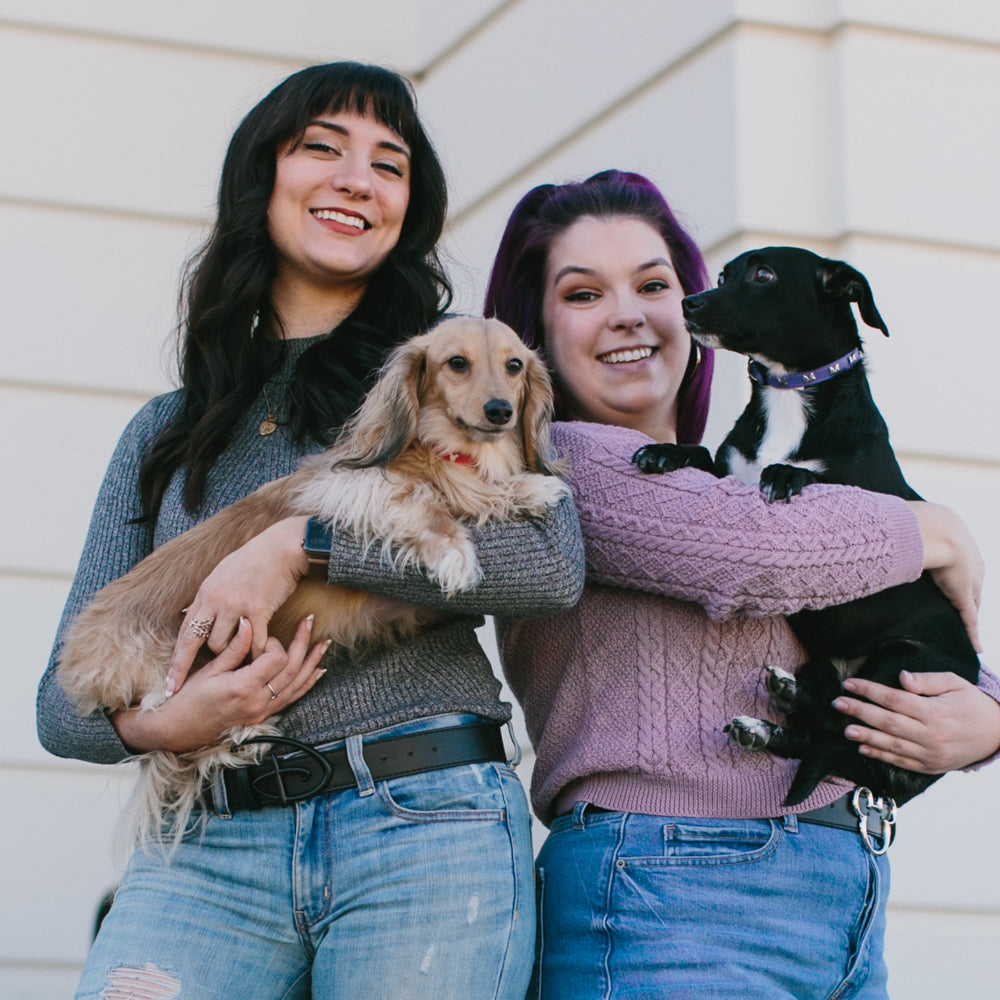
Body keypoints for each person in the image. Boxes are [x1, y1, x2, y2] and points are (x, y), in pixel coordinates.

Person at [37, 63, 583, 1000]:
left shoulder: (453, 372)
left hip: (424, 825)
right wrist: (169, 722)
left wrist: (301, 545)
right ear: (264, 180)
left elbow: (548, 566)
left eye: (389, 163)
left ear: (408, 209)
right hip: (208, 845)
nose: (356, 179)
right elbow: (60, 707)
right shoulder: (167, 430)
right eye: (322, 148)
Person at [484, 169, 1000, 999]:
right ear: (533, 334)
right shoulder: (559, 467)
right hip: (667, 891)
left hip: (844, 881)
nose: (629, 313)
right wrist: (934, 529)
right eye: (583, 294)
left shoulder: (747, 468)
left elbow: (881, 605)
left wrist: (984, 714)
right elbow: (754, 555)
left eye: (654, 285)